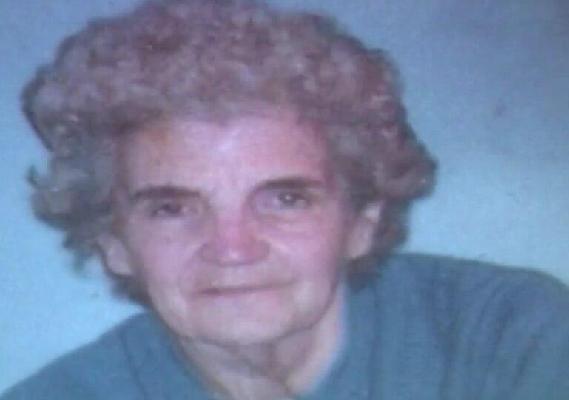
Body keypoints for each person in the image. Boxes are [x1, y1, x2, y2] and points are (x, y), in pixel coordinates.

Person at [3, 0, 569, 399]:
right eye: (172, 209)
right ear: (113, 243)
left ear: (362, 222)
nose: (232, 249)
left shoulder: (511, 338)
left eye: (286, 199)